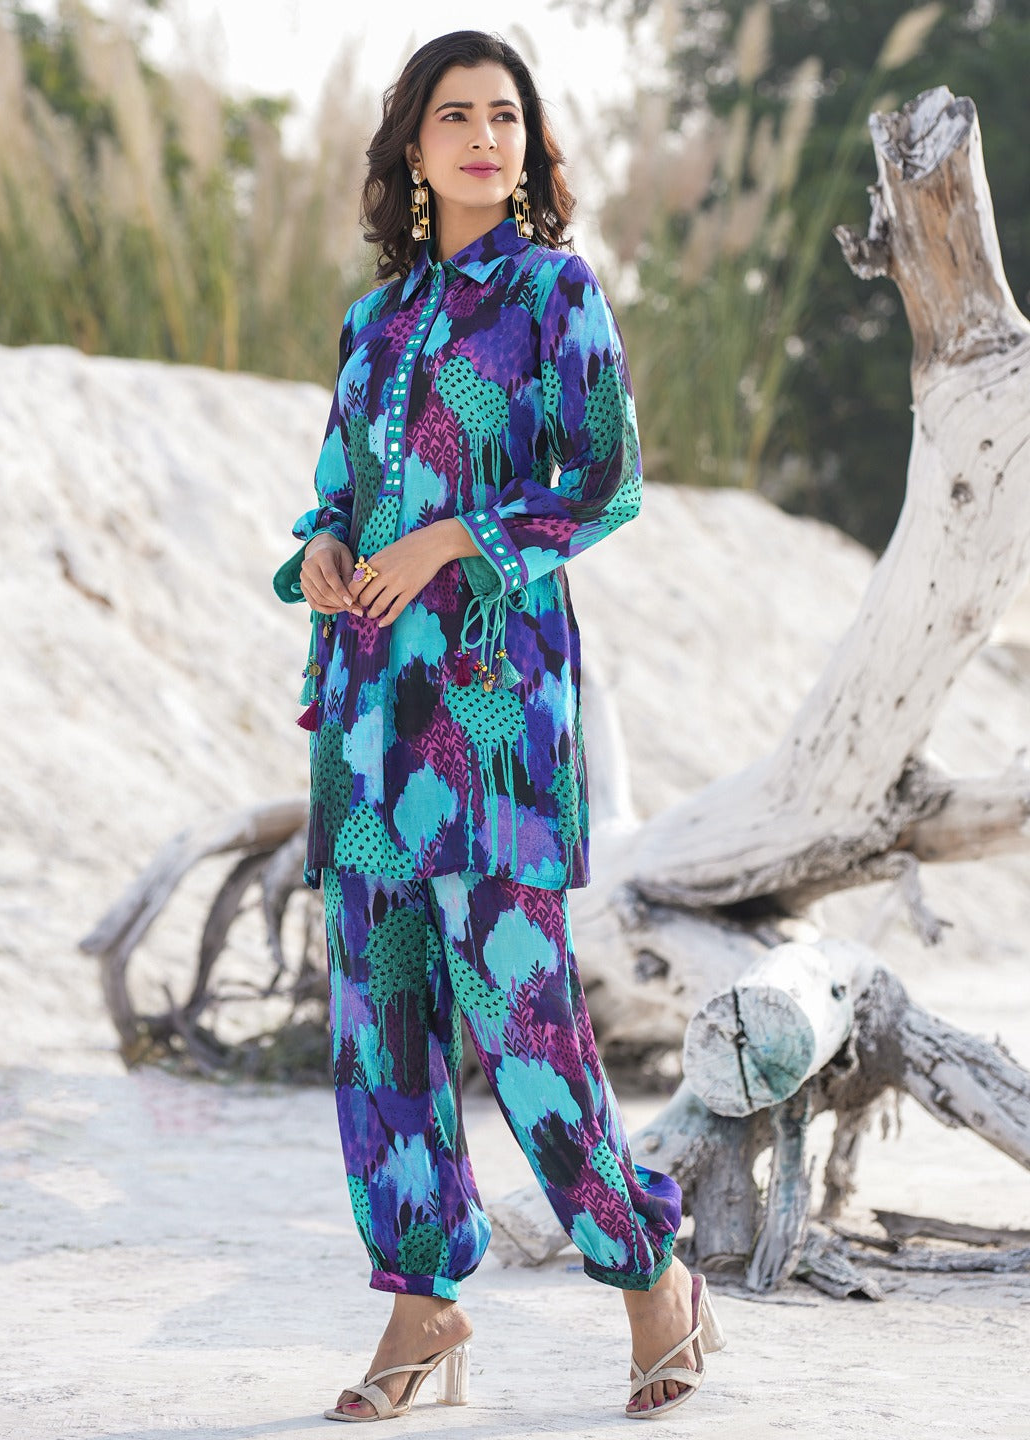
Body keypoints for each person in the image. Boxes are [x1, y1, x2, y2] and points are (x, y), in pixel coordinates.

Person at [273, 29, 725, 1423]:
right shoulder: (374, 322)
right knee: (381, 1030)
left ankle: (649, 1269)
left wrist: (456, 538)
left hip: (491, 719)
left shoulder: (553, 294)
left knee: (525, 1023)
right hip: (368, 725)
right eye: (455, 116)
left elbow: (605, 480)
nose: (484, 138)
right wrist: (327, 554)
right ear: (412, 148)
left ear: (530, 145)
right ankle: (422, 1307)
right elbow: (333, 495)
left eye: (506, 116)